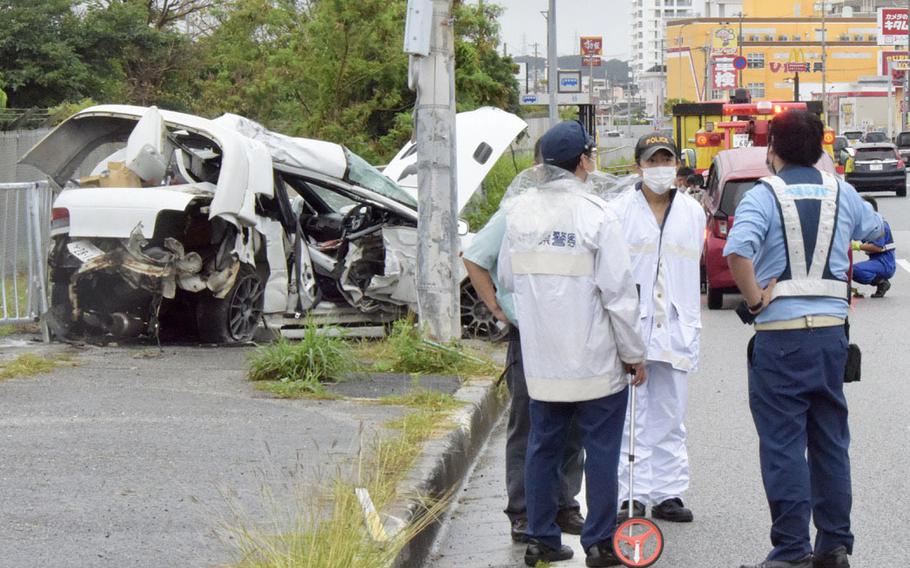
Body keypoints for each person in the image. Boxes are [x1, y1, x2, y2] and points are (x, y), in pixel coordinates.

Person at [724, 110, 883, 568]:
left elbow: (737, 252)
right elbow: (877, 232)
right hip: (831, 338)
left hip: (780, 338)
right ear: (821, 149)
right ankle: (833, 547)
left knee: (783, 446)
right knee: (831, 442)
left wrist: (755, 300)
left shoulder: (762, 195)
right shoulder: (841, 193)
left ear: (771, 148)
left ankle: (791, 551)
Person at [497, 120, 648, 567]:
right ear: (583, 161)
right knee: (600, 451)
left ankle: (541, 539)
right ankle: (600, 544)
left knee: (542, 448)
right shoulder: (597, 214)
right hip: (595, 363)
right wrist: (634, 355)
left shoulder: (519, 214)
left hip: (543, 362)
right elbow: (619, 295)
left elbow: (507, 278)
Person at [462, 139, 586, 545]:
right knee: (530, 425)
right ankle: (523, 512)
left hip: (573, 331)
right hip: (530, 332)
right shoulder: (517, 212)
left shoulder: (582, 211)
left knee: (572, 425)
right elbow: (475, 256)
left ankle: (564, 503)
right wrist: (498, 308)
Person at [609, 133, 705, 526]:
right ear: (639, 166)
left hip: (677, 327)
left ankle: (668, 492)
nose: (661, 167)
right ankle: (631, 495)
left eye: (667, 159)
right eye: (653, 161)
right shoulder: (617, 211)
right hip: (633, 325)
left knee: (671, 413)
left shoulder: (692, 212)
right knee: (632, 416)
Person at [850, 196, 895, 298]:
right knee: (848, 269)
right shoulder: (867, 225)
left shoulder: (880, 226)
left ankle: (882, 283)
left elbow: (877, 247)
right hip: (877, 261)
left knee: (854, 270)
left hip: (885, 263)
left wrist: (857, 246)